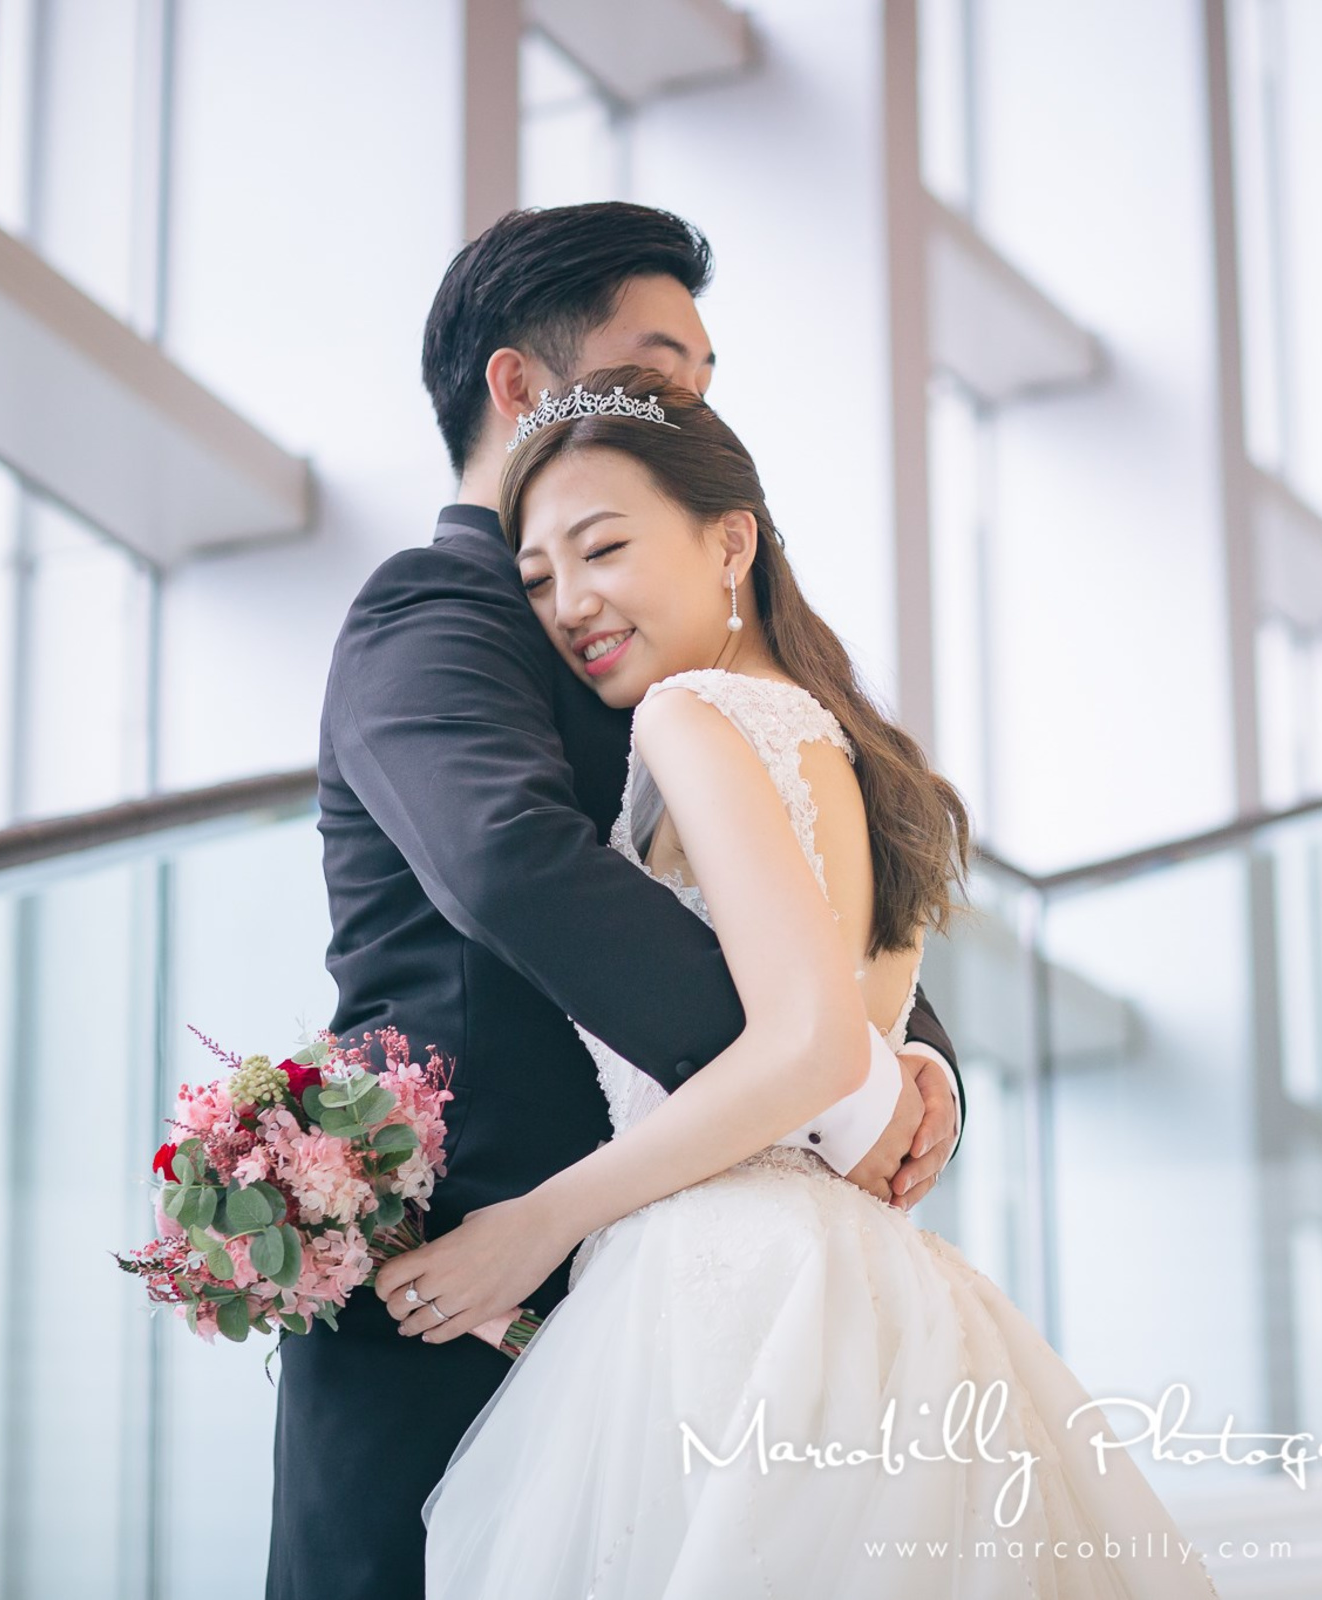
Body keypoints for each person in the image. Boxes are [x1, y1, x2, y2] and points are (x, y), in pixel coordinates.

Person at [384, 366, 1220, 1597]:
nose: (570, 604)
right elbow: (859, 1039)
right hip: (856, 1272)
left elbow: (812, 1049)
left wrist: (536, 1223)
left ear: (731, 542)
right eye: (540, 577)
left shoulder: (687, 715)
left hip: (732, 1278)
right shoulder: (845, 744)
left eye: (602, 548)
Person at [272, 203, 966, 1600]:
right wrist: (831, 1076)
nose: (693, 405)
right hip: (462, 1295)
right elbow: (506, 861)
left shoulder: (690, 664)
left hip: (674, 1288)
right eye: (661, 372)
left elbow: (805, 883)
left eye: (703, 383)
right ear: (523, 387)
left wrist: (916, 1062)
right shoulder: (433, 608)